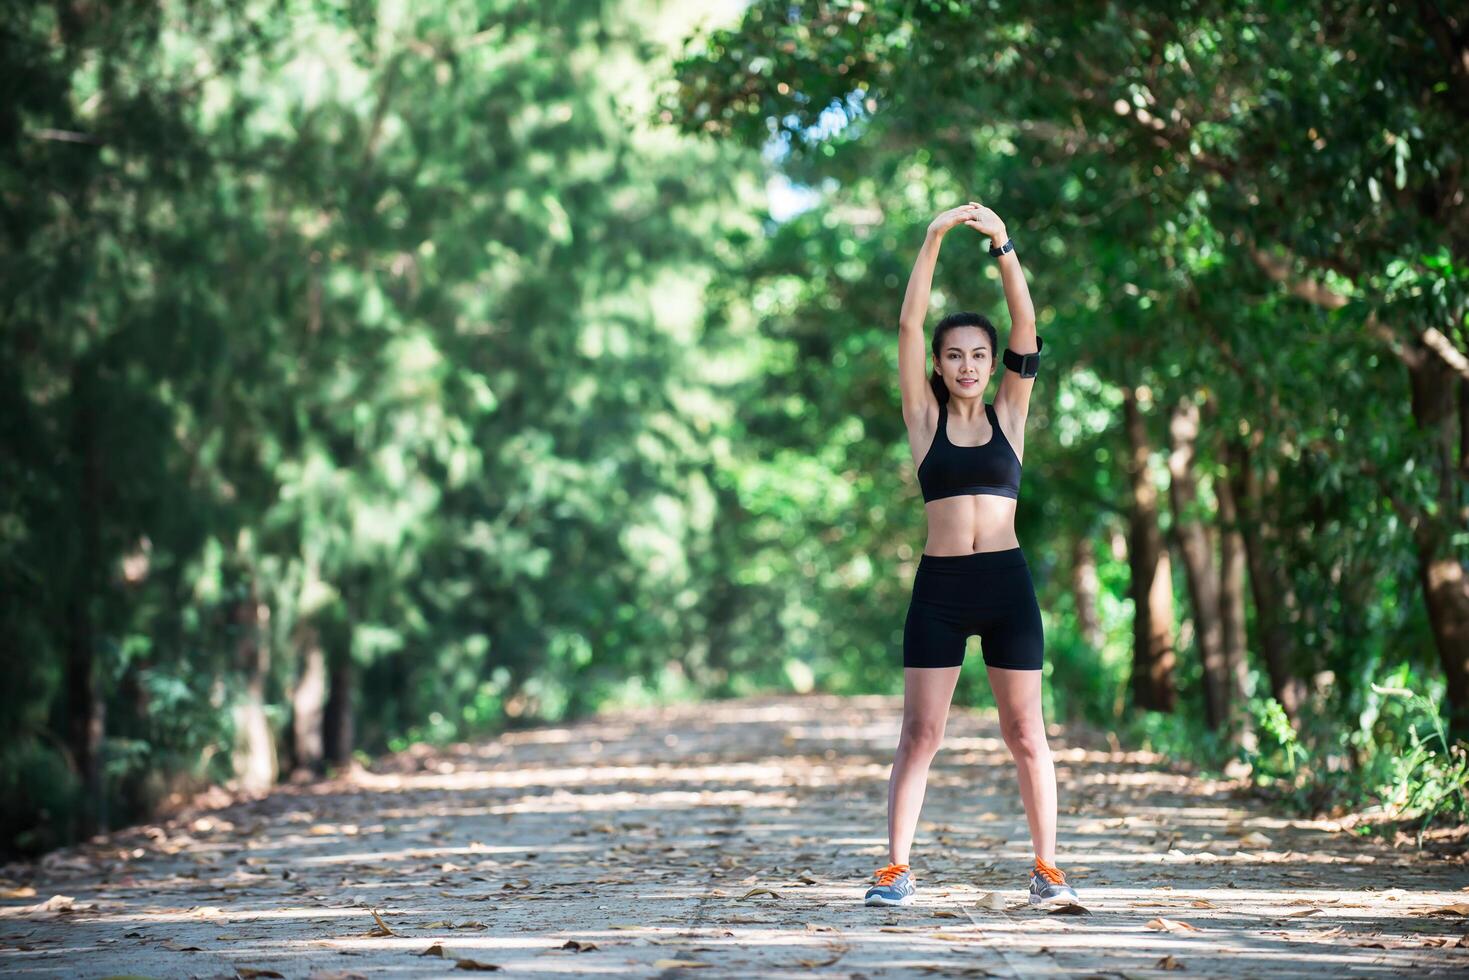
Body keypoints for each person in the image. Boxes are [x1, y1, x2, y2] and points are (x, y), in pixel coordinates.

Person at [864, 202, 1079, 909]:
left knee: (1025, 731)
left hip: (1005, 584)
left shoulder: (1009, 414)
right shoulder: (921, 419)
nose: (965, 364)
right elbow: (904, 323)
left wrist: (1003, 247)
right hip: (941, 589)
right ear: (937, 362)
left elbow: (1025, 327)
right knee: (920, 731)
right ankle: (894, 870)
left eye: (977, 355)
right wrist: (930, 237)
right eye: (953, 354)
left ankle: (1046, 867)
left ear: (992, 366)